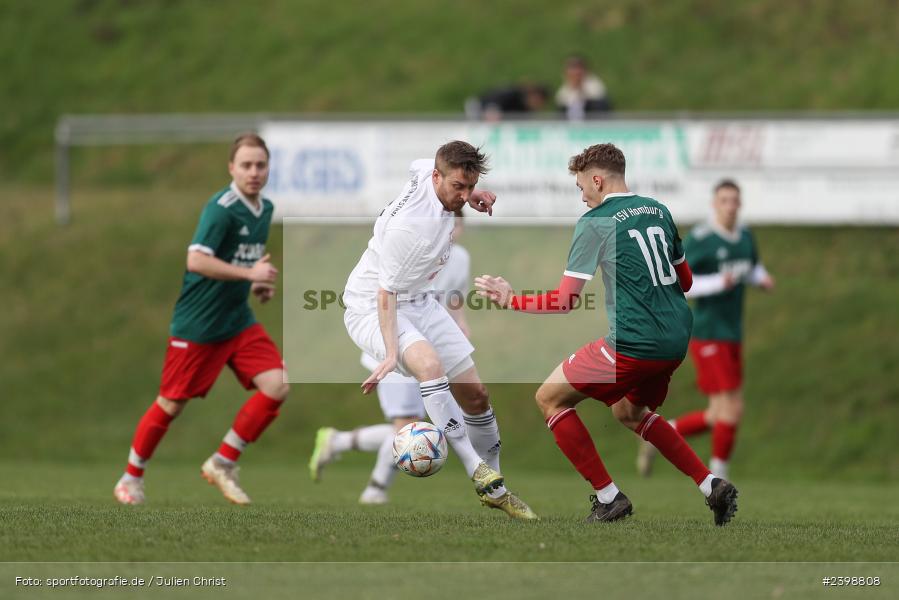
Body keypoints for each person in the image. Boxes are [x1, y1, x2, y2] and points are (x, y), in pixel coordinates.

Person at [475, 143, 738, 525]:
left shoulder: (596, 221)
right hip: (676, 339)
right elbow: (686, 281)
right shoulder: (658, 210)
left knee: (549, 398)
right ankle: (711, 484)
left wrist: (511, 299)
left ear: (597, 180)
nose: (582, 196)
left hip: (634, 343)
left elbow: (565, 300)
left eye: (581, 186)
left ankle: (609, 497)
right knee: (630, 412)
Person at [341, 141, 537, 520]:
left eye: (470, 186)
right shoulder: (413, 229)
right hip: (372, 307)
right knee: (430, 367)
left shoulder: (427, 172)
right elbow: (385, 294)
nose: (463, 196)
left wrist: (471, 192)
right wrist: (392, 354)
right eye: (458, 187)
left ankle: (497, 484)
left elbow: (420, 162)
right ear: (437, 177)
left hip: (420, 300)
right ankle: (479, 473)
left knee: (476, 395)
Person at [113, 134, 289, 506]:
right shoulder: (221, 209)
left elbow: (241, 262)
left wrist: (257, 285)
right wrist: (249, 274)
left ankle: (223, 462)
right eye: (246, 165)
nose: (254, 172)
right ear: (231, 168)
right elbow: (196, 260)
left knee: (278, 384)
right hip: (199, 325)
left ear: (268, 168)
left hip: (237, 321)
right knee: (170, 404)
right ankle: (130, 478)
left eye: (260, 165)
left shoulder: (265, 209)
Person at [309, 210, 473, 505]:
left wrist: (460, 323)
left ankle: (338, 442)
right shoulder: (414, 248)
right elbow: (385, 293)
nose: (452, 228)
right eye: (448, 221)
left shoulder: (459, 257)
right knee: (408, 426)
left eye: (457, 223)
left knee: (414, 426)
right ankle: (375, 488)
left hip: (429, 349)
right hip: (396, 345)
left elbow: (455, 295)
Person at [638, 180, 774, 480]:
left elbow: (751, 267)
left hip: (733, 332)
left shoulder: (745, 236)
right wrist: (716, 283)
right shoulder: (702, 239)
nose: (730, 206)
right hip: (709, 332)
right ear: (714, 204)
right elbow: (679, 282)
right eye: (724, 200)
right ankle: (718, 479)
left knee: (718, 413)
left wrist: (761, 279)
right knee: (731, 409)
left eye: (735, 200)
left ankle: (662, 433)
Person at [555, 55, 612, 120]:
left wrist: (580, 88)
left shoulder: (595, 85)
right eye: (572, 68)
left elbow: (598, 105)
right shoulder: (563, 91)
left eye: (577, 68)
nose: (575, 72)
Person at [465, 83, 549, 122]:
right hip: (479, 107)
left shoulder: (527, 111)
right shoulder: (513, 93)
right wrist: (492, 108)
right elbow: (495, 98)